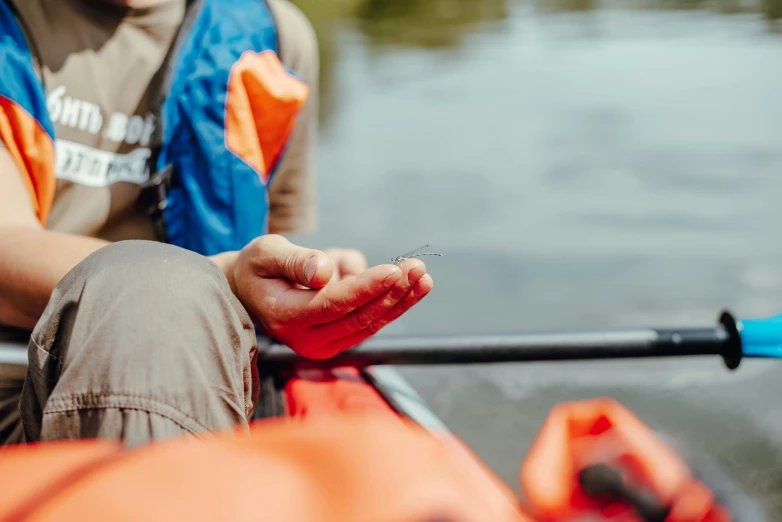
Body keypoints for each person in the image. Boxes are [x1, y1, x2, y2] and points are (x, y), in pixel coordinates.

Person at [0, 0, 433, 445]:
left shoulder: (279, 38)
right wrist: (223, 276)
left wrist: (302, 280)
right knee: (150, 293)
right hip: (19, 386)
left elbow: (269, 234)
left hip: (210, 374)